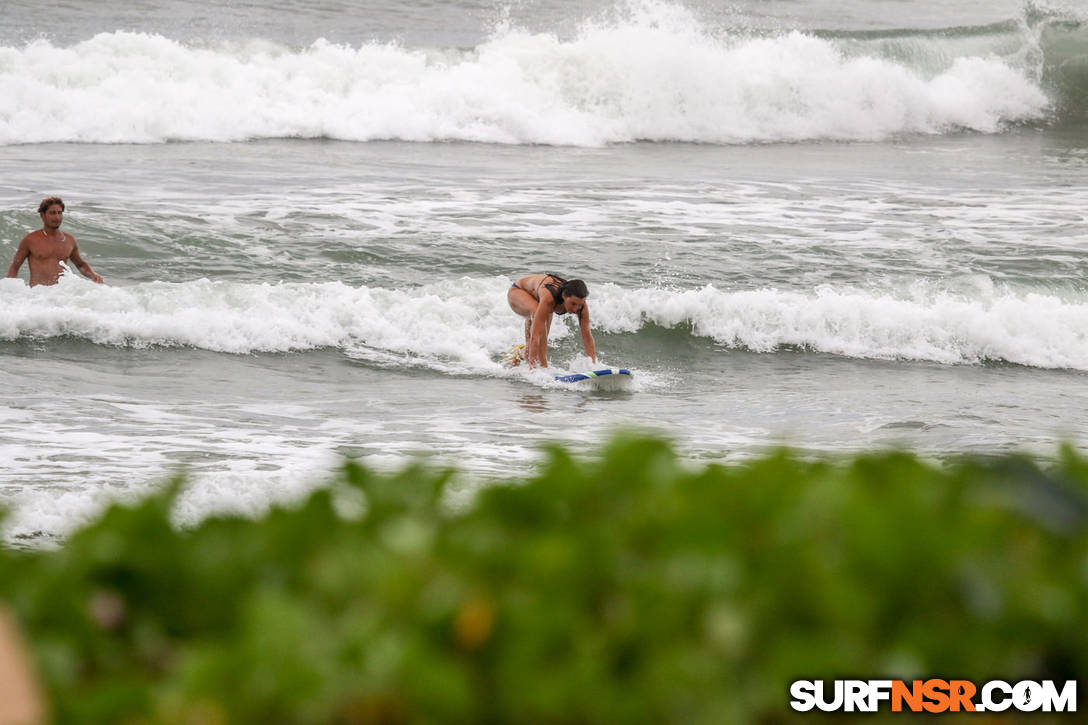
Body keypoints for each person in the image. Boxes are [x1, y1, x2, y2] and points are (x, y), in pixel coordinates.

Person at [6, 197, 103, 286]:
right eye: (52, 213)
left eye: (59, 213)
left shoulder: (69, 240)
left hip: (59, 295)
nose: (57, 217)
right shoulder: (31, 240)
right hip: (36, 296)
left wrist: (92, 275)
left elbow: (80, 264)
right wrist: (10, 289)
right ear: (43, 215)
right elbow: (15, 267)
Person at [507, 273, 596, 368]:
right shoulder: (549, 299)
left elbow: (587, 336)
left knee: (534, 349)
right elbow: (536, 336)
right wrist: (533, 370)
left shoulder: (580, 305)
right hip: (517, 292)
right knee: (539, 328)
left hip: (539, 298)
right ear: (564, 296)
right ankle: (542, 366)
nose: (575, 309)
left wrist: (593, 366)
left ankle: (520, 355)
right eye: (573, 304)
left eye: (579, 305)